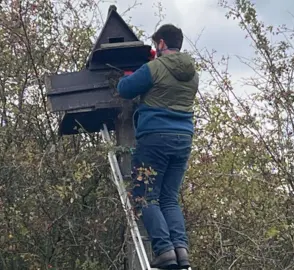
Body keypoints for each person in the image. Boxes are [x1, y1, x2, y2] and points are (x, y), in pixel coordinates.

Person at [116, 24, 199, 269]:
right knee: (169, 199)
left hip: (155, 138)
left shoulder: (155, 68)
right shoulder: (193, 75)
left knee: (145, 197)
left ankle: (164, 251)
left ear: (161, 43)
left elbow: (125, 89)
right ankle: (180, 251)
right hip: (183, 139)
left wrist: (128, 74)